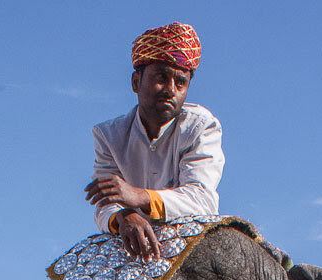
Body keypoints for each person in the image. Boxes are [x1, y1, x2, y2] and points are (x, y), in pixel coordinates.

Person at [85, 22, 224, 260]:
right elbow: (105, 205)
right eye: (161, 77)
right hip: (132, 245)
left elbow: (202, 200)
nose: (171, 90)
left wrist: (139, 197)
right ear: (136, 82)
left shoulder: (201, 127)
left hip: (191, 244)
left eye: (180, 83)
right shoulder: (109, 136)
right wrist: (123, 216)